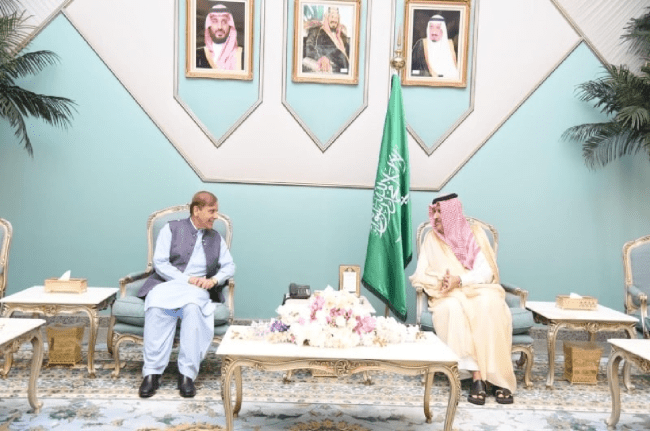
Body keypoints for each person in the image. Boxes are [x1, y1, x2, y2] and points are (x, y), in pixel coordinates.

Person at [409, 193, 515, 405]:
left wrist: (460, 280)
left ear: (451, 213)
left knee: (490, 305)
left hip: (477, 289)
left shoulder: (474, 235)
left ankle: (497, 378)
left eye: (440, 212)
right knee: (453, 309)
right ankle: (477, 377)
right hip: (447, 295)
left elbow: (486, 272)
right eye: (434, 211)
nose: (435, 217)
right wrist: (442, 281)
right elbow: (420, 274)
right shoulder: (431, 239)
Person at [137, 191, 235, 398]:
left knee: (192, 308)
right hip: (168, 284)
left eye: (216, 211)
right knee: (156, 306)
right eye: (212, 211)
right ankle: (152, 373)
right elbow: (160, 263)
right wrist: (187, 279)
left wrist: (213, 281)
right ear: (196, 210)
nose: (215, 216)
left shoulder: (216, 238)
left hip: (197, 290)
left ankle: (186, 375)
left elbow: (229, 267)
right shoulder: (170, 228)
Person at [302, 6, 350, 74]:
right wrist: (321, 58)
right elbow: (309, 47)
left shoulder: (342, 36)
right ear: (326, 17)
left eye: (336, 18)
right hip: (333, 68)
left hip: (346, 68)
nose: (334, 20)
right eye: (332, 17)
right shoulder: (316, 30)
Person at [410, 14, 459, 79]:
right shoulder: (421, 45)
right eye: (431, 27)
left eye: (438, 28)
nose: (434, 32)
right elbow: (412, 70)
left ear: (443, 30)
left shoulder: (451, 46)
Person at [196, 4, 243, 71]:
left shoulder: (242, 54)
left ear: (230, 25)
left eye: (224, 22)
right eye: (215, 21)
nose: (220, 27)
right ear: (209, 25)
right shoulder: (197, 54)